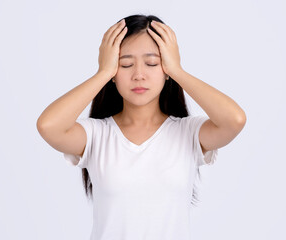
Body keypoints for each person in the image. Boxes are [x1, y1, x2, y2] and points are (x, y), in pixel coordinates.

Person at [37, 14, 246, 240]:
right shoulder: (97, 135)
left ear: (165, 69)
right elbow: (49, 126)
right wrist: (104, 72)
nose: (138, 75)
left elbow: (234, 120)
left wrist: (177, 70)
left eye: (152, 63)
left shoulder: (188, 133)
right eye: (125, 64)